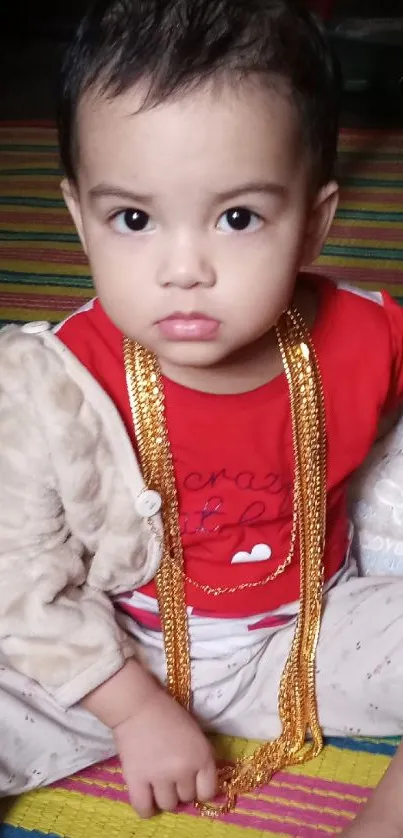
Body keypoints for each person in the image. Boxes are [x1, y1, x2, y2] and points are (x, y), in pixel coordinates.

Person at [1, 0, 403, 833]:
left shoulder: (369, 333)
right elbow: (19, 581)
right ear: (79, 221)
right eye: (135, 220)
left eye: (237, 218)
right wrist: (132, 709)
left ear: (313, 224)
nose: (185, 269)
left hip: (303, 639)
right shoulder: (48, 383)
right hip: (103, 651)